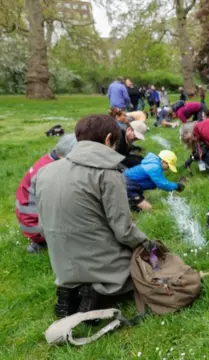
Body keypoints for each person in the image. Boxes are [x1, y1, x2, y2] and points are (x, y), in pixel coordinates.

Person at [35, 114, 153, 318]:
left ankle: (72, 289)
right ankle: (95, 294)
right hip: (100, 263)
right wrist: (146, 244)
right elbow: (123, 230)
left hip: (62, 265)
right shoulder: (108, 173)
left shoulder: (45, 171)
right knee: (142, 269)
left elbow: (42, 225)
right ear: (108, 139)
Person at [15, 134, 77, 254]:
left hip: (29, 222)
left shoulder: (47, 160)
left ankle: (41, 243)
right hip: (35, 226)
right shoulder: (53, 170)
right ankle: (44, 241)